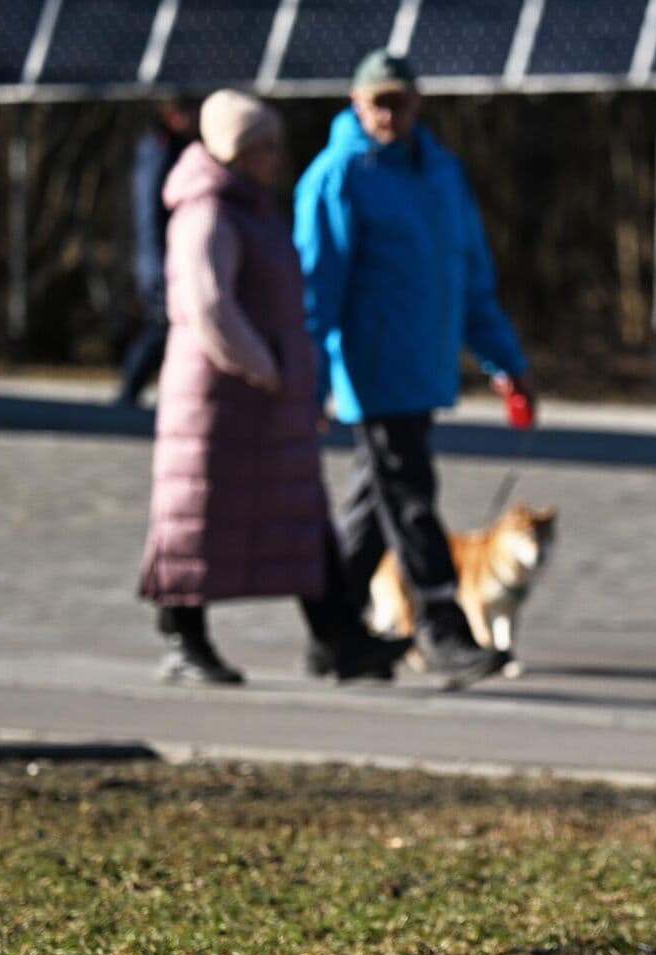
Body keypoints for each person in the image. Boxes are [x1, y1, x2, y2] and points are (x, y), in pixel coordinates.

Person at [137, 90, 409, 686]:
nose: (276, 158)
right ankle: (183, 638)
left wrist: (294, 380)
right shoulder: (207, 213)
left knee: (301, 515)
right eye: (265, 147)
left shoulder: (254, 210)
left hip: (264, 396)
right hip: (216, 400)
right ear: (235, 150)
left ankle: (341, 638)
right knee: (196, 518)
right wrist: (271, 370)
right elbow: (210, 308)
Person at [293, 50, 531, 690]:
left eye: (399, 101)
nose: (389, 114)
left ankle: (333, 634)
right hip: (371, 369)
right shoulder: (337, 177)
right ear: (356, 102)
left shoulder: (441, 174)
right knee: (410, 496)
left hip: (424, 368)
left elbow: (470, 276)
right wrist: (310, 382)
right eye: (378, 102)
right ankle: (441, 626)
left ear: (417, 102)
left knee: (376, 503)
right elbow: (316, 292)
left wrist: (505, 362)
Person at [115, 96, 198, 407]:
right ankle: (130, 390)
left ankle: (133, 390)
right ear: (173, 115)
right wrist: (163, 259)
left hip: (163, 255)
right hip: (160, 258)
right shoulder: (159, 151)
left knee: (162, 324)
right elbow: (150, 213)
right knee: (162, 324)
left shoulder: (170, 148)